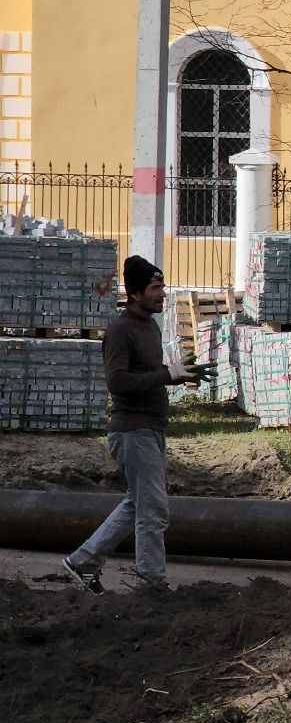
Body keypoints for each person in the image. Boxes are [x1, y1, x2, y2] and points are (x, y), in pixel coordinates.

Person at [62, 255, 207, 595]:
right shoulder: (119, 330)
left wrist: (172, 376)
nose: (163, 295)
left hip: (151, 429)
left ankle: (82, 562)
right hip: (132, 430)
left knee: (137, 503)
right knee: (153, 511)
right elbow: (118, 382)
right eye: (156, 288)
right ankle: (150, 581)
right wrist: (163, 375)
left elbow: (148, 377)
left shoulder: (150, 327)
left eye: (163, 288)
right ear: (136, 292)